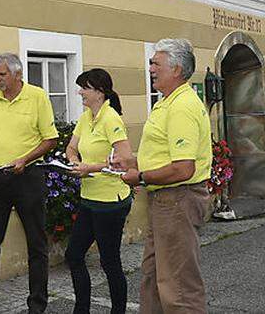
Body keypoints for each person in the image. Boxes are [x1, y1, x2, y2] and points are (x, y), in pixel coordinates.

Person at [120, 38, 213, 314]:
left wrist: (141, 177)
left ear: (176, 69)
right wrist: (131, 163)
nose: (150, 68)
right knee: (153, 278)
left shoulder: (182, 106)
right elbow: (166, 156)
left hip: (177, 200)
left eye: (155, 63)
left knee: (179, 287)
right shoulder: (167, 102)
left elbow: (184, 168)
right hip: (165, 201)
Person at [0, 53, 59, 314]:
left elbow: (50, 139)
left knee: (36, 244)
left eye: (2, 75)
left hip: (27, 176)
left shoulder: (37, 96)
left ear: (18, 75)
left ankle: (37, 305)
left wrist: (25, 158)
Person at [64, 68, 133, 314]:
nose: (80, 92)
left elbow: (124, 159)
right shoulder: (86, 118)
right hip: (89, 199)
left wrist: (90, 167)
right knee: (74, 255)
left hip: (110, 202)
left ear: (100, 92)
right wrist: (73, 161)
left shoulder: (111, 118)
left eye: (85, 87)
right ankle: (81, 309)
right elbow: (71, 148)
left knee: (110, 262)